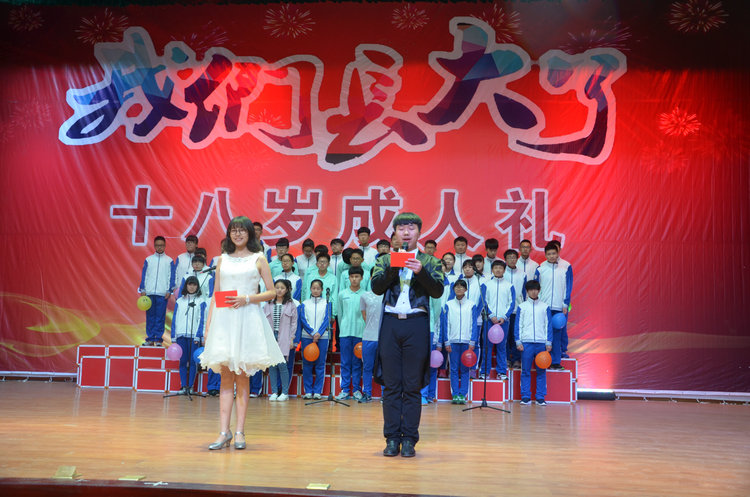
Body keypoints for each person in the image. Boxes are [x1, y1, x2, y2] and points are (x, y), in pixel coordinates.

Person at [198, 216, 286, 450]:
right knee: (225, 376)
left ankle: (239, 432)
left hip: (247, 318)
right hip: (224, 321)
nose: (237, 234)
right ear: (229, 234)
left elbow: (271, 292)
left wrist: (247, 298)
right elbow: (216, 295)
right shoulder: (222, 259)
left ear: (250, 234)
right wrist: (208, 326)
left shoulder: (259, 258)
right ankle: (223, 432)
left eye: (242, 230)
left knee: (243, 376)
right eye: (233, 230)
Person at [371, 212, 444, 458]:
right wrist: (395, 267)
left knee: (412, 386)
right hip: (391, 324)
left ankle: (410, 439)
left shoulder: (430, 261)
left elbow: (437, 291)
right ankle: (392, 438)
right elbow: (376, 287)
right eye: (401, 228)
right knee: (392, 385)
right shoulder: (384, 259)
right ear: (394, 233)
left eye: (411, 228)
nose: (406, 232)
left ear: (419, 233)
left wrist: (421, 272)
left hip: (416, 324)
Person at [534, 242, 572, 370]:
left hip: (558, 308)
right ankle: (542, 360)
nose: (551, 256)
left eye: (553, 253)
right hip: (543, 307)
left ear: (558, 254)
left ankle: (555, 361)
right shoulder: (540, 269)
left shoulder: (564, 269)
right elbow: (536, 288)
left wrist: (565, 304)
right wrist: (538, 303)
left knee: (556, 335)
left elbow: (567, 288)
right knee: (543, 334)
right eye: (549, 254)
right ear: (545, 255)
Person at [440, 279, 479, 405]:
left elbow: (473, 324)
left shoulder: (471, 305)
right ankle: (455, 394)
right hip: (453, 341)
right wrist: (446, 341)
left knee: (465, 369)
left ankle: (463, 394)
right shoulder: (449, 304)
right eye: (456, 287)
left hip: (467, 342)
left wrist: (472, 341)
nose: (459, 289)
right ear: (453, 289)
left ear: (465, 289)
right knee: (454, 369)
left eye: (461, 287)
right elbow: (446, 324)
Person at [515, 280, 552, 406]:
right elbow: (518, 325)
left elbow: (548, 325)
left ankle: (540, 397)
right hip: (526, 343)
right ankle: (525, 396)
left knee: (541, 371)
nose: (533, 292)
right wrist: (518, 341)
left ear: (539, 290)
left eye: (536, 289)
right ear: (527, 291)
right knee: (525, 370)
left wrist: (548, 342)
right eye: (531, 289)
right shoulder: (522, 307)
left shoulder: (545, 307)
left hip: (541, 343)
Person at [263, 279, 298, 402]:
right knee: (272, 366)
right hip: (271, 336)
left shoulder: (291, 304)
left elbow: (294, 323)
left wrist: (292, 338)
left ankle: (285, 392)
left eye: (282, 288)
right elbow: (263, 322)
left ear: (287, 290)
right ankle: (274, 392)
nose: (279, 290)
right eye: (277, 287)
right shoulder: (268, 304)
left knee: (283, 365)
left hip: (284, 337)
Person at [336, 266, 367, 400]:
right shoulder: (342, 294)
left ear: (361, 278)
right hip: (345, 332)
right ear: (348, 278)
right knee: (345, 362)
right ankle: (345, 389)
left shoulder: (365, 295)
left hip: (360, 332)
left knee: (357, 362)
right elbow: (340, 314)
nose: (354, 279)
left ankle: (356, 389)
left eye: (357, 277)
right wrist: (343, 327)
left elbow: (366, 315)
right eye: (352, 277)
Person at [171, 276, 206, 394]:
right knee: (183, 361)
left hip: (193, 336)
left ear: (197, 286)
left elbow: (201, 319)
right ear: (186, 286)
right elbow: (175, 318)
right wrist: (174, 336)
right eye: (189, 284)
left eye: (194, 285)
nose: (192, 287)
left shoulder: (201, 301)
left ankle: (190, 387)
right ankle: (183, 386)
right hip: (181, 335)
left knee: (192, 362)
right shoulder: (179, 301)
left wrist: (198, 335)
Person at [297, 279, 331, 399]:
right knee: (307, 364)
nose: (315, 290)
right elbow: (303, 319)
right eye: (313, 288)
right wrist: (312, 332)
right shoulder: (305, 303)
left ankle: (317, 391)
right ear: (310, 289)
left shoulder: (327, 303)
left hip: (323, 337)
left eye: (318, 288)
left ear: (322, 290)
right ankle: (308, 391)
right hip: (307, 336)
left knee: (320, 364)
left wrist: (319, 333)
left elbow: (327, 319)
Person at [138, 235, 174, 346]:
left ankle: (158, 339)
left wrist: (169, 290)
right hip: (149, 293)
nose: (159, 247)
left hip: (162, 294)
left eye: (161, 245)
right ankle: (150, 339)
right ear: (154, 246)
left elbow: (171, 276)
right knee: (150, 317)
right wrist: (143, 289)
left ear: (165, 246)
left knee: (160, 317)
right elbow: (145, 275)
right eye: (157, 245)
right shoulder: (149, 260)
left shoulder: (169, 261)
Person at [483, 260, 515, 380]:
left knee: (502, 347)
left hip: (503, 321)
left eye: (500, 268)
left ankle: (501, 372)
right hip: (489, 320)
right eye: (495, 268)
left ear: (504, 270)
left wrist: (504, 317)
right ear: (492, 270)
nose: (498, 270)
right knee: (487, 347)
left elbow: (512, 303)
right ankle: (484, 372)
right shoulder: (486, 285)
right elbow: (484, 301)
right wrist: (491, 315)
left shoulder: (509, 286)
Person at [359, 274, 383, 403]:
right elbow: (364, 315)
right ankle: (367, 393)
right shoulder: (364, 296)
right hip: (368, 336)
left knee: (385, 367)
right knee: (367, 367)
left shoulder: (387, 295)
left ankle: (385, 394)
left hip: (384, 338)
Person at [503, 249, 526, 369]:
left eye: (514, 257)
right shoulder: (502, 273)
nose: (512, 259)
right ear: (505, 259)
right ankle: (506, 358)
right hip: (505, 311)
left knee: (516, 336)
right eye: (509, 257)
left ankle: (516, 359)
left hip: (518, 310)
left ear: (517, 259)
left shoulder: (522, 274)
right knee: (506, 337)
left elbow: (524, 293)